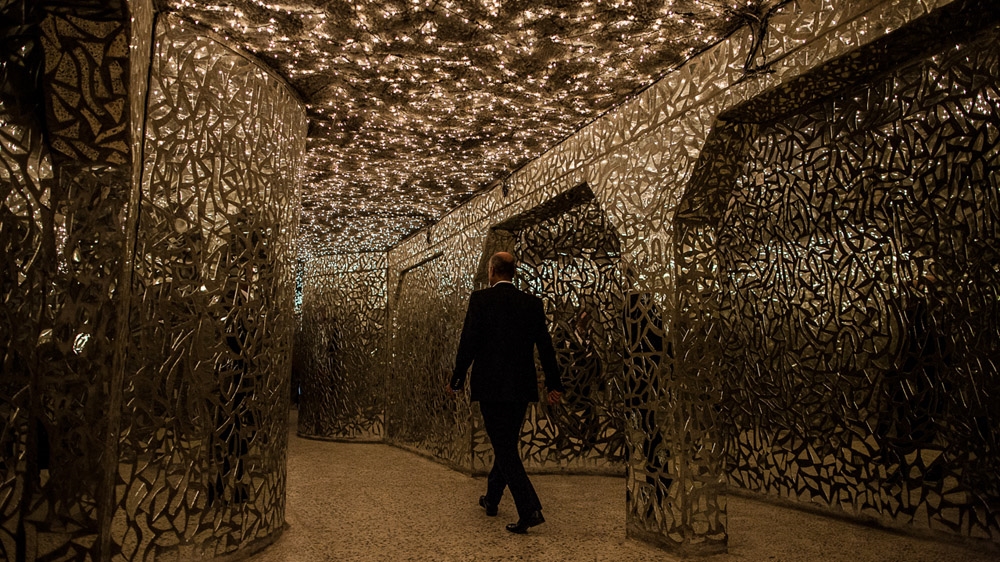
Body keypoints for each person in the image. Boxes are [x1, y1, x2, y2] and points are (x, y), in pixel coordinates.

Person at [448, 252, 564, 534]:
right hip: (521, 388)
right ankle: (492, 499)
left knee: (503, 447)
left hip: (490, 387)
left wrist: (457, 378)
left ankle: (529, 508)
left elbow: (469, 342)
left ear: (492, 271)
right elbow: (545, 346)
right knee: (506, 444)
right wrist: (554, 384)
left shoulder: (481, 301)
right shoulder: (531, 304)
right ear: (513, 272)